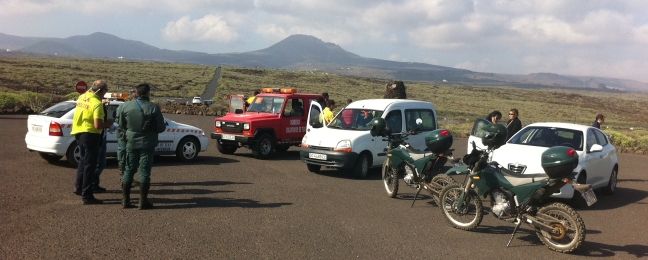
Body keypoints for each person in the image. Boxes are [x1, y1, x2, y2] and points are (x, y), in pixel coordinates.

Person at [117, 83, 166, 209]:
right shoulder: (153, 108)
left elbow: (121, 125)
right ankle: (142, 202)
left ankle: (125, 200)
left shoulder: (125, 106)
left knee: (129, 169)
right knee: (144, 171)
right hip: (148, 143)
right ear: (148, 93)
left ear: (136, 92)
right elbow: (161, 128)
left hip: (131, 142)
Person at [71, 80, 110, 205]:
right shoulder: (97, 103)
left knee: (83, 162)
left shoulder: (82, 97)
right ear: (100, 90)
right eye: (105, 91)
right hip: (91, 135)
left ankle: (78, 187)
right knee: (90, 165)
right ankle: (87, 195)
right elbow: (98, 124)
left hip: (79, 133)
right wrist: (108, 124)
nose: (105, 94)